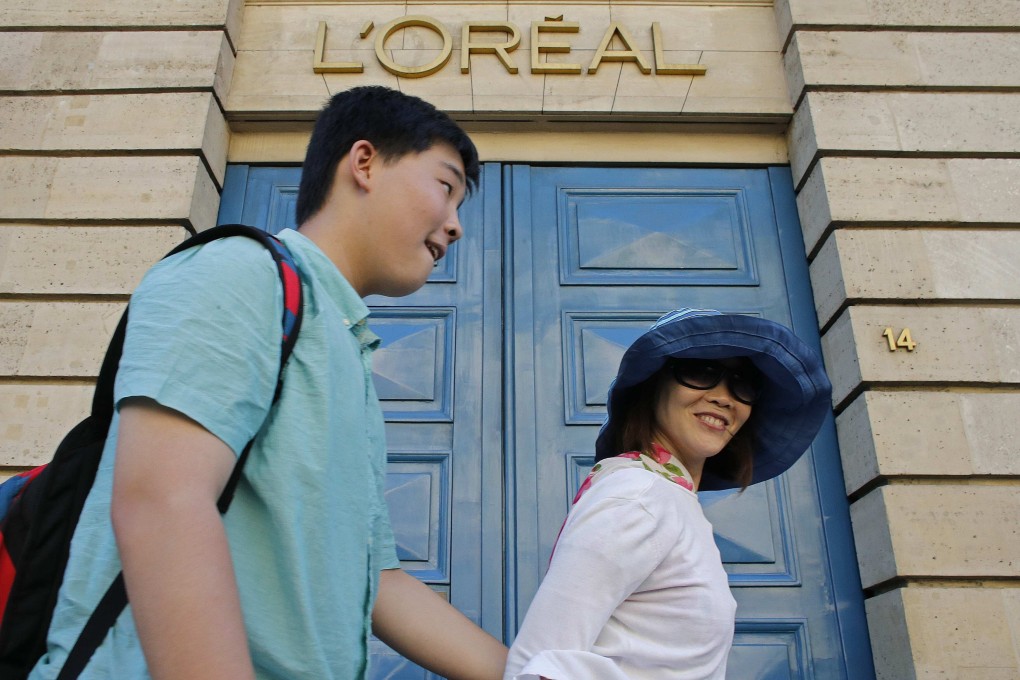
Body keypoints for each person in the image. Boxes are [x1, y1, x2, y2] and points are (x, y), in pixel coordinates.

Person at [30, 86, 507, 679]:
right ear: (364, 163)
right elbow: (162, 500)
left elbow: (379, 582)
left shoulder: (347, 350)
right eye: (446, 187)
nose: (456, 225)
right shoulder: (239, 271)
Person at [503, 308, 832, 680]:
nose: (725, 397)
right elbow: (541, 661)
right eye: (701, 371)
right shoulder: (639, 495)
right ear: (653, 386)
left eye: (744, 385)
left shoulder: (670, 500)